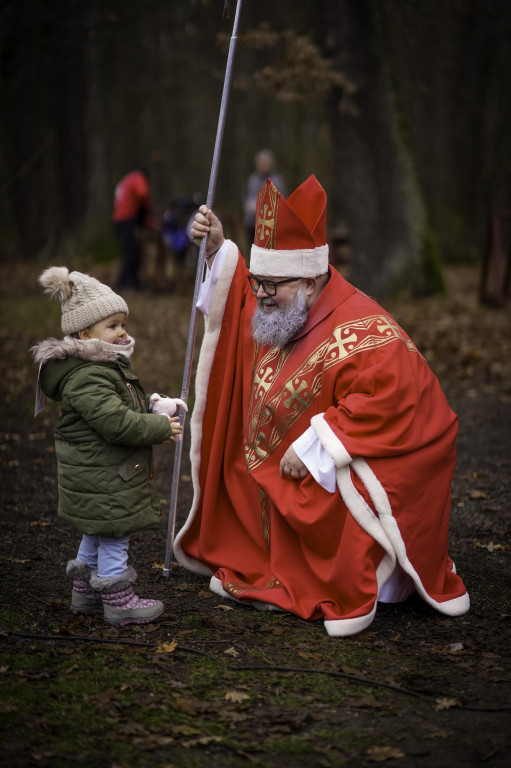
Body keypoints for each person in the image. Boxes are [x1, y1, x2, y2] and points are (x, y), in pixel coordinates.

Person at [174, 175, 470, 637]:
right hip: (268, 470)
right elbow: (235, 311)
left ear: (311, 282)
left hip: (323, 469)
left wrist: (318, 443)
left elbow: (402, 398)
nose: (261, 297)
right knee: (241, 475)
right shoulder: (278, 309)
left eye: (273, 285)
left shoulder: (365, 328)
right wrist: (217, 252)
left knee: (345, 505)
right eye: (257, 282)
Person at [32, 267, 185, 626]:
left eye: (123, 323)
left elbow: (123, 407)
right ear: (85, 333)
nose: (123, 332)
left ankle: (84, 593)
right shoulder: (88, 375)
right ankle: (118, 601)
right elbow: (115, 423)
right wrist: (158, 427)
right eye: (113, 325)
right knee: (114, 533)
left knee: (97, 530)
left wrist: (152, 406)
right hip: (104, 477)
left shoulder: (104, 367)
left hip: (102, 475)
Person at [112, 168, 154, 290]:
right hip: (126, 220)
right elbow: (143, 193)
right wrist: (147, 211)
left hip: (119, 220)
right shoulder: (138, 178)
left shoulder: (127, 180)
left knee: (133, 252)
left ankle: (134, 282)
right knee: (130, 253)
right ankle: (121, 283)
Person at [244, 149, 286, 247]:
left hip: (269, 226)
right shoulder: (252, 180)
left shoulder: (277, 181)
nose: (262, 165)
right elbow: (246, 196)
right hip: (252, 223)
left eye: (265, 162)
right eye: (260, 162)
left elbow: (281, 203)